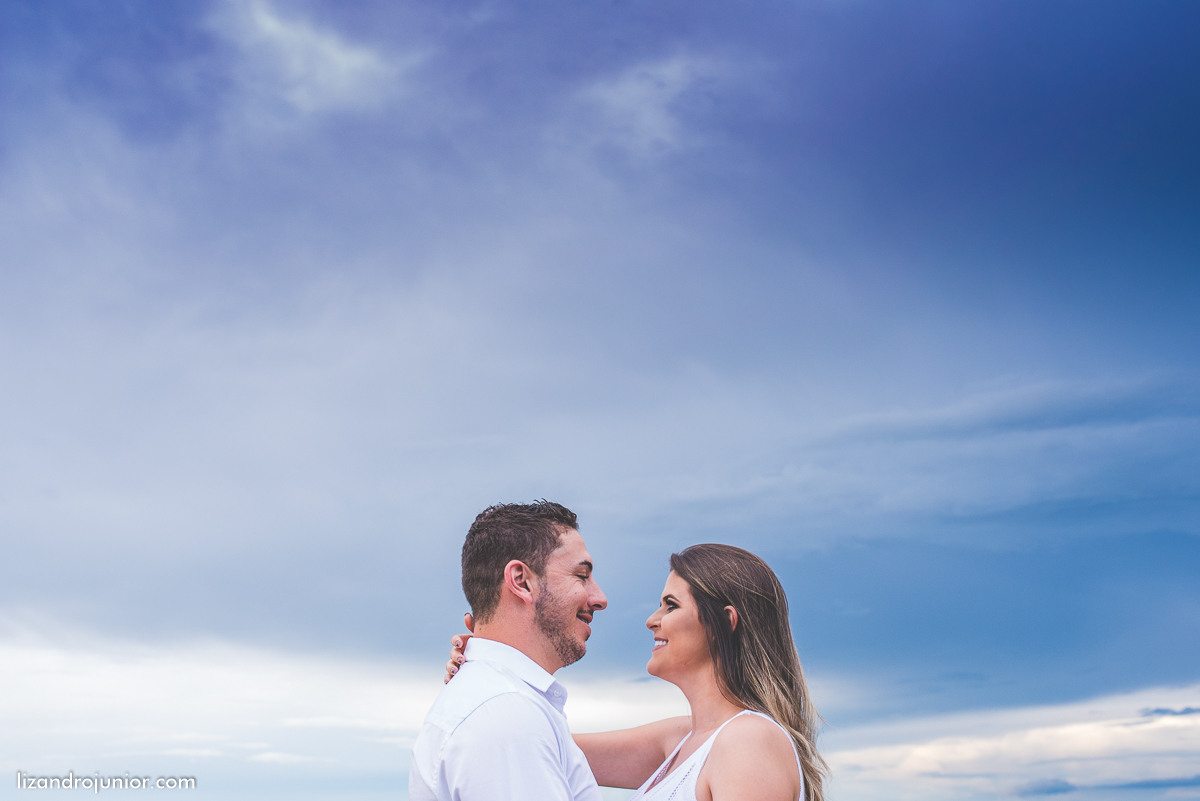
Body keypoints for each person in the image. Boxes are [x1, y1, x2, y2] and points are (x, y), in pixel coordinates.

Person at [446, 543, 827, 801]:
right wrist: (489, 660)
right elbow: (537, 741)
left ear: (723, 623)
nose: (651, 620)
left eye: (670, 606)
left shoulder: (749, 741)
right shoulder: (681, 738)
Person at [409, 501, 609, 801]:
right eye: (581, 576)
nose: (600, 598)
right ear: (521, 581)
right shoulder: (507, 717)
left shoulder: (505, 711)